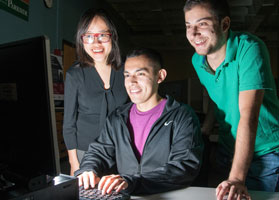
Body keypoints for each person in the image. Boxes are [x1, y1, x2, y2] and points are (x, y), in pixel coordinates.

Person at [183, 0, 279, 199]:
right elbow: (215, 97)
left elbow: (248, 116)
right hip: (228, 149)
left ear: (224, 24)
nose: (193, 34)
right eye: (188, 26)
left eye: (202, 24)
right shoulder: (197, 59)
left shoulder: (249, 48)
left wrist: (236, 178)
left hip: (265, 151)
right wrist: (206, 130)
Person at [74, 48, 203, 195]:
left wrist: (132, 181)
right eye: (127, 75)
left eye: (140, 74)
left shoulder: (182, 116)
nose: (131, 82)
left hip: (166, 195)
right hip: (128, 194)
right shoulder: (117, 117)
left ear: (160, 76)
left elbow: (184, 167)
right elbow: (99, 151)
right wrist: (88, 169)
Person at [63, 8, 129, 176]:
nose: (96, 43)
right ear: (81, 40)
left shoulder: (126, 71)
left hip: (119, 153)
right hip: (85, 154)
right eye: (89, 36)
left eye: (102, 35)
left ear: (112, 37)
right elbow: (69, 125)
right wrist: (74, 163)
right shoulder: (75, 75)